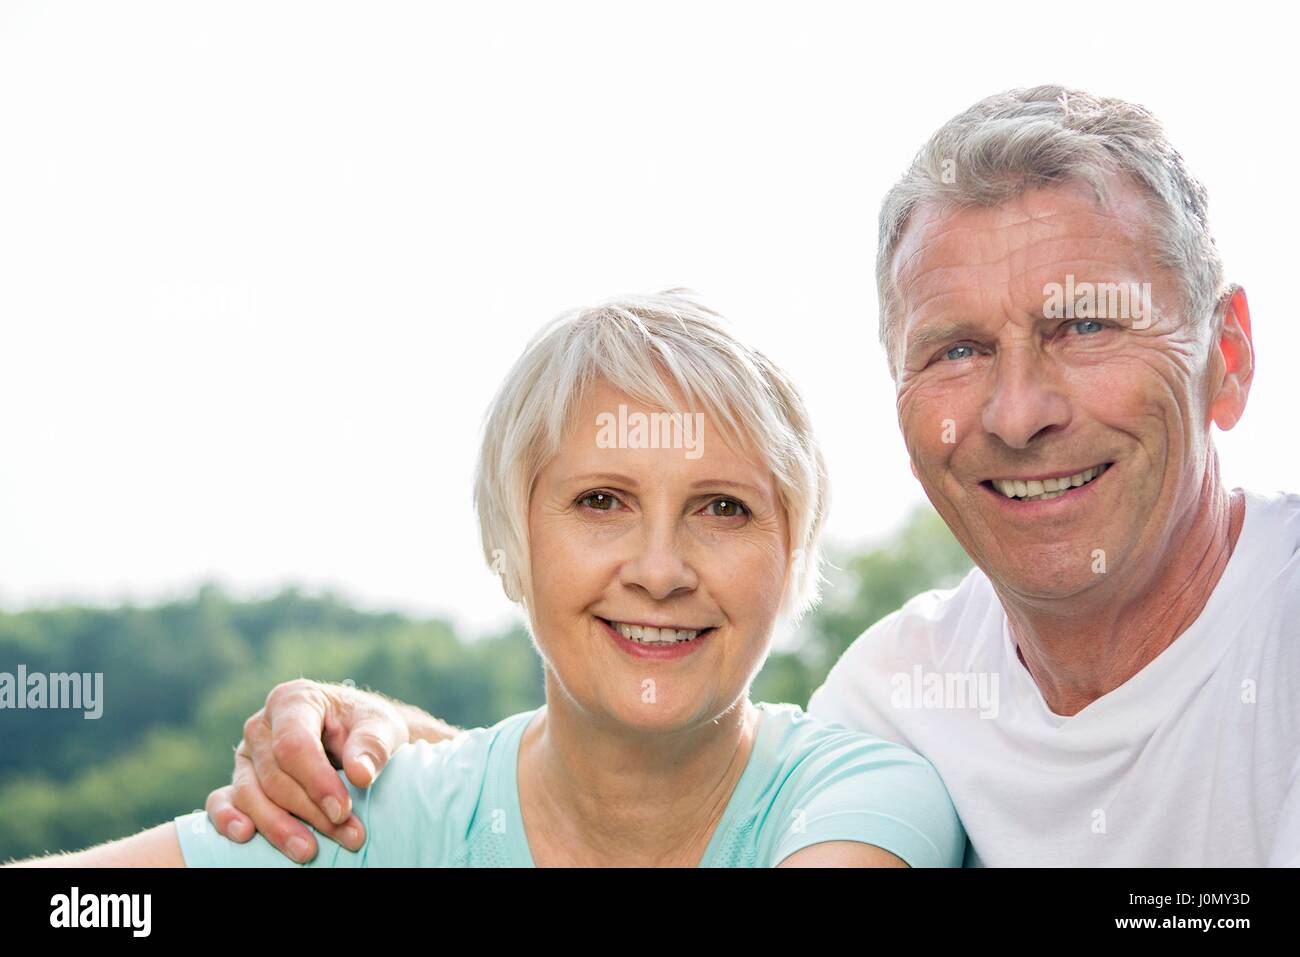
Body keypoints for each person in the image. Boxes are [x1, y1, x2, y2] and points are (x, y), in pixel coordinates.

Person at [213, 86, 1298, 867]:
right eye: (957, 349)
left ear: (1229, 356)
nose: (1019, 411)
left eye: (1083, 327)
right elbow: (645, 800)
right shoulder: (899, 703)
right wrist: (386, 753)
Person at [7, 290, 964, 868]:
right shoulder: (374, 811)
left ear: (793, 557)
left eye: (723, 507)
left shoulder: (860, 798)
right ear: (509, 542)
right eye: (601, 501)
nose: (662, 569)